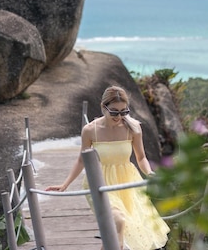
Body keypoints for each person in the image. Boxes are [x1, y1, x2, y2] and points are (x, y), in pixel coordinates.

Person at [46, 85, 170, 250]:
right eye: (114, 112)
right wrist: (65, 185)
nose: (119, 116)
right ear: (103, 107)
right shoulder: (91, 130)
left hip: (127, 182)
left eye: (123, 111)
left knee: (122, 230)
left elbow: (141, 158)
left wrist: (149, 173)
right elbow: (81, 160)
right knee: (118, 221)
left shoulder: (133, 128)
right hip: (100, 183)